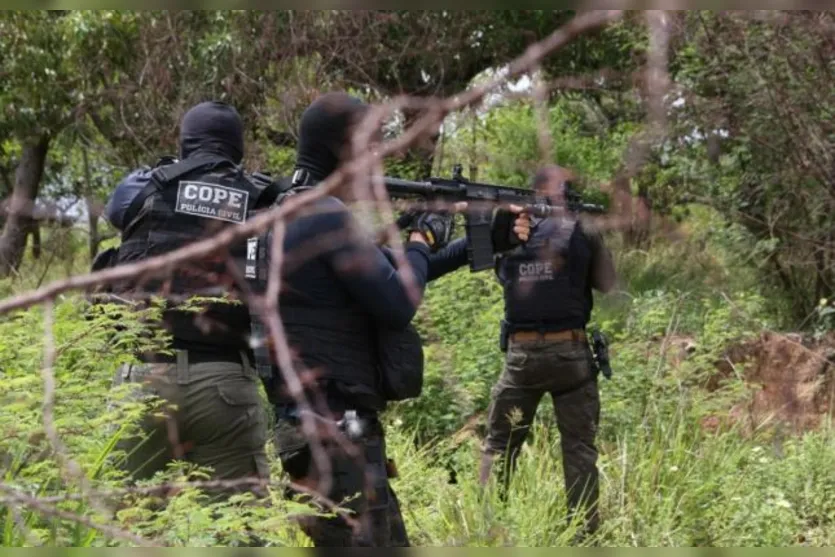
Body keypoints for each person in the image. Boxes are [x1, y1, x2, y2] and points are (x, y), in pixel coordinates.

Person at [249, 92, 531, 547]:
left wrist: (480, 242)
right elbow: (399, 299)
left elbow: (387, 272)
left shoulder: (284, 210)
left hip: (315, 430)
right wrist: (421, 236)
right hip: (337, 435)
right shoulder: (324, 216)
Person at [102, 101, 280, 508]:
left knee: (124, 527)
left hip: (145, 378)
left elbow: (117, 210)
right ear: (237, 151)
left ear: (184, 145)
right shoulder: (260, 199)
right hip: (225, 383)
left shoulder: (144, 188)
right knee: (240, 531)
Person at [478, 165, 616, 541]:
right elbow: (607, 283)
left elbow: (499, 273)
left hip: (522, 356)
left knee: (499, 446)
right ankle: (583, 537)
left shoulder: (512, 228)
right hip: (570, 352)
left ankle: (489, 531)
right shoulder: (581, 227)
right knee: (579, 449)